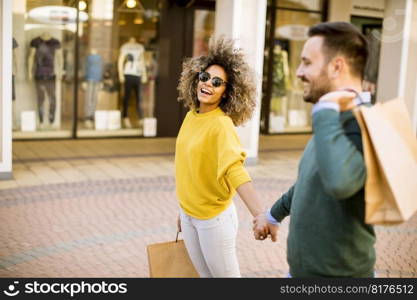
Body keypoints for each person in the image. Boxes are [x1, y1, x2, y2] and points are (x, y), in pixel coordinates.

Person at [253, 21, 376, 277]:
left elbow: (339, 183)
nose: (298, 72)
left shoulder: (362, 123)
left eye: (307, 62)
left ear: (336, 66)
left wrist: (324, 110)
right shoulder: (335, 117)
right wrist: (273, 215)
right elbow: (310, 180)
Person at [175, 37, 271, 278]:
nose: (208, 84)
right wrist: (183, 211)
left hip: (213, 221)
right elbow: (190, 169)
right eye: (205, 77)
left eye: (217, 82)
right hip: (189, 216)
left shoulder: (221, 124)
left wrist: (260, 213)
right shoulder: (191, 116)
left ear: (227, 92)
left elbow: (235, 170)